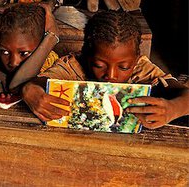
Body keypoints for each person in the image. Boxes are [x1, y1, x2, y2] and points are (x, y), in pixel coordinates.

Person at [22, 10, 189, 128]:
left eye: (124, 67)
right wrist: (30, 89)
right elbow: (37, 83)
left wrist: (173, 109)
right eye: (99, 65)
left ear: (136, 57)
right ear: (86, 53)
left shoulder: (142, 69)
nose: (111, 75)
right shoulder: (74, 65)